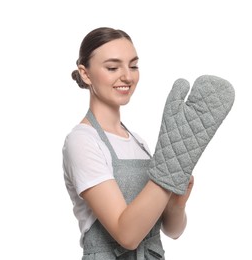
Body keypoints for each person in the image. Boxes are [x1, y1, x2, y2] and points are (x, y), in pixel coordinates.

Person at [62, 27, 194, 259]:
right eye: (113, 67)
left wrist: (178, 203)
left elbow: (172, 230)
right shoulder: (82, 141)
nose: (128, 76)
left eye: (133, 65)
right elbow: (127, 235)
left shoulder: (138, 142)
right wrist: (167, 172)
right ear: (85, 73)